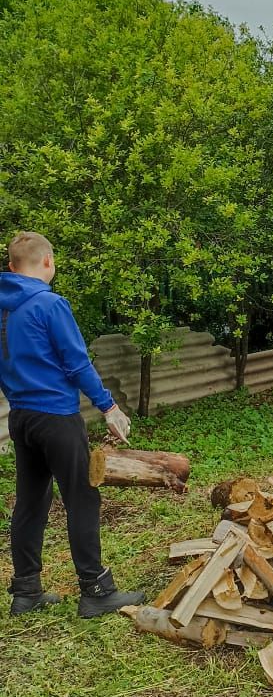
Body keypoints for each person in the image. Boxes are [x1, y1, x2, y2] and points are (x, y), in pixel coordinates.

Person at [0, 231, 145, 616]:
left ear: (13, 267)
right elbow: (76, 362)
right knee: (82, 498)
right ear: (47, 262)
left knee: (30, 502)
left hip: (22, 418)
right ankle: (95, 590)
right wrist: (108, 406)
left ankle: (26, 591)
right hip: (56, 419)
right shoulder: (50, 304)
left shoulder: (4, 310)